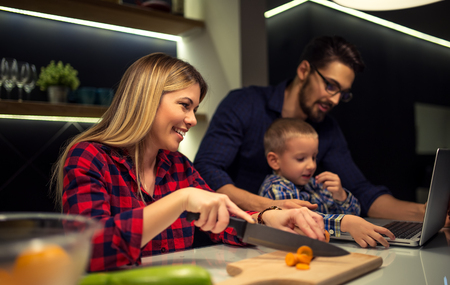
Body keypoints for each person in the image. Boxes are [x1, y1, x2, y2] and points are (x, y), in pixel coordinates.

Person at [52, 53, 326, 272]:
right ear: (147, 100)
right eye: (185, 105)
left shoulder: (179, 165)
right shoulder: (89, 157)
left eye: (194, 109)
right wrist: (181, 200)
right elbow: (88, 251)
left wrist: (268, 218)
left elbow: (225, 224)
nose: (193, 119)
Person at [194, 35, 443, 224]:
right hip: (233, 232)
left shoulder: (328, 129)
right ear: (304, 71)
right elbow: (207, 168)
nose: (334, 100)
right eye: (330, 86)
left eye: (343, 93)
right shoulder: (245, 103)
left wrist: (425, 212)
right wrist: (271, 207)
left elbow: (362, 191)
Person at [259, 118, 395, 248]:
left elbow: (355, 216)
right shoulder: (276, 188)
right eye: (301, 159)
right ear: (274, 161)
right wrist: (344, 223)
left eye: (314, 157)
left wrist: (341, 196)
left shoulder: (314, 184)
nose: (312, 165)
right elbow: (301, 223)